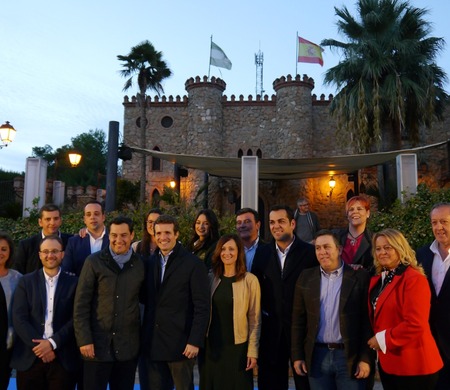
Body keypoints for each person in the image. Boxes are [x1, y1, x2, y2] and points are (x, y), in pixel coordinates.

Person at [291, 230, 372, 390]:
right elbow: (298, 321)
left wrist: (366, 358)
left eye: (327, 247)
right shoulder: (306, 278)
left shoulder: (358, 278)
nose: (322, 252)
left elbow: (367, 322)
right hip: (317, 356)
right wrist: (297, 356)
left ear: (340, 249)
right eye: (318, 248)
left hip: (348, 356)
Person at [73, 216, 145, 390]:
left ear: (132, 235)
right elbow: (81, 304)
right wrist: (84, 340)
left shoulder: (140, 265)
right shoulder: (93, 262)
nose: (118, 240)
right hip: (96, 347)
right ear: (109, 236)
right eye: (114, 235)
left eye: (123, 235)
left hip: (127, 348)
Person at [367, 229, 443, 390]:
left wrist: (382, 340)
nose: (382, 252)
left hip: (414, 364)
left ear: (399, 247)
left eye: (388, 247)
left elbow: (415, 324)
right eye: (378, 248)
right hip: (390, 363)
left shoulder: (414, 279)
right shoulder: (380, 278)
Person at [252, 205, 317, 390]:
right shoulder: (262, 253)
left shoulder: (309, 253)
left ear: (293, 223)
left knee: (304, 383)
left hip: (301, 330)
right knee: (271, 383)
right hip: (271, 330)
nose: (276, 226)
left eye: (281, 221)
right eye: (272, 222)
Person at [141, 214, 210, 390]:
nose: (163, 237)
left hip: (181, 346)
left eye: (167, 232)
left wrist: (195, 340)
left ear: (176, 234)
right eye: (159, 233)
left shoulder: (193, 264)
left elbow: (202, 306)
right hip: (154, 345)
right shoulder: (149, 263)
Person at [11, 235, 79, 390]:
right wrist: (42, 348)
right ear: (40, 254)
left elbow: (76, 319)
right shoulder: (25, 282)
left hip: (62, 358)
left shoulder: (74, 283)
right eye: (46, 251)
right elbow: (19, 317)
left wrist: (52, 343)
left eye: (55, 251)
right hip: (31, 357)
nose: (50, 255)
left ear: (62, 254)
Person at [199, 233, 261, 390]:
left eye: (231, 249)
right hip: (212, 347)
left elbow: (255, 319)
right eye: (223, 249)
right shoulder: (210, 278)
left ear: (239, 252)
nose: (227, 253)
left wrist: (252, 351)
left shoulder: (250, 280)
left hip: (238, 349)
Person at [416, 202, 450, 389]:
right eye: (434, 222)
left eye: (444, 222)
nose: (438, 227)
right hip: (428, 342)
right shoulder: (422, 254)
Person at [13, 204, 72, 274]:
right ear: (40, 222)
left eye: (56, 218)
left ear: (60, 221)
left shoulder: (72, 241)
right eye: (48, 219)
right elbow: (18, 273)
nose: (52, 223)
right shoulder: (26, 245)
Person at [62, 201, 109, 276]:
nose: (92, 217)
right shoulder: (74, 242)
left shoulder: (114, 239)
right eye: (88, 214)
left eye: (96, 214)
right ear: (84, 219)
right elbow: (66, 271)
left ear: (103, 217)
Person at [0, 232, 22, 389]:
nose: (0, 253)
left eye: (3, 249)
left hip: (8, 344)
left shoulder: (17, 278)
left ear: (9, 252)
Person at [335, 195, 374, 271]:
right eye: (351, 209)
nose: (355, 212)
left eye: (359, 209)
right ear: (347, 215)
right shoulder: (335, 236)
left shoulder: (373, 239)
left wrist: (362, 269)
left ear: (367, 213)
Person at [235, 207, 266, 272]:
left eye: (247, 222)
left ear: (257, 225)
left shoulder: (269, 250)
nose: (242, 226)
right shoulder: (232, 250)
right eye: (239, 222)